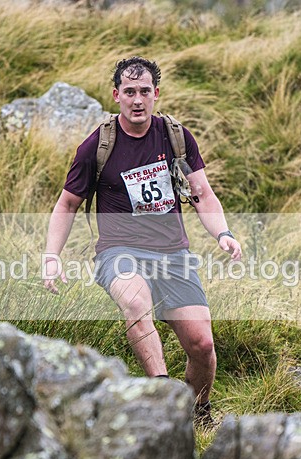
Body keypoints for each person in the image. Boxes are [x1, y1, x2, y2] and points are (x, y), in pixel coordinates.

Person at [43, 56, 241, 426]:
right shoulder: (97, 146)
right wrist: (52, 256)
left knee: (202, 345)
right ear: (117, 95)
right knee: (136, 302)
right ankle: (164, 397)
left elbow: (203, 194)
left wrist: (223, 233)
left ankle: (198, 411)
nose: (137, 100)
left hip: (173, 255)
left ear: (156, 95)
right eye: (129, 92)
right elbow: (67, 204)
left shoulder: (176, 137)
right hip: (119, 252)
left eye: (145, 92)